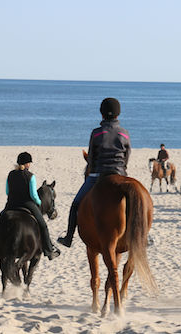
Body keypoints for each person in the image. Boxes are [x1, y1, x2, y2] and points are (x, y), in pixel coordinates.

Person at [57, 98, 131, 247]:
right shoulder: (124, 133)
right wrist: (121, 169)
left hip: (98, 174)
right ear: (118, 115)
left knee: (76, 204)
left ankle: (68, 238)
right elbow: (127, 156)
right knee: (135, 204)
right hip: (120, 173)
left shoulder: (96, 133)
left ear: (102, 114)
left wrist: (94, 166)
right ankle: (145, 236)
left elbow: (91, 157)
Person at [0, 152, 60, 260]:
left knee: (0, 221)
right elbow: (33, 195)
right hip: (28, 204)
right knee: (43, 225)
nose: (29, 165)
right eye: (29, 163)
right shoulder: (30, 176)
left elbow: (7, 191)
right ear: (27, 164)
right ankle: (49, 250)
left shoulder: (11, 174)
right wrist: (39, 202)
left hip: (11, 204)